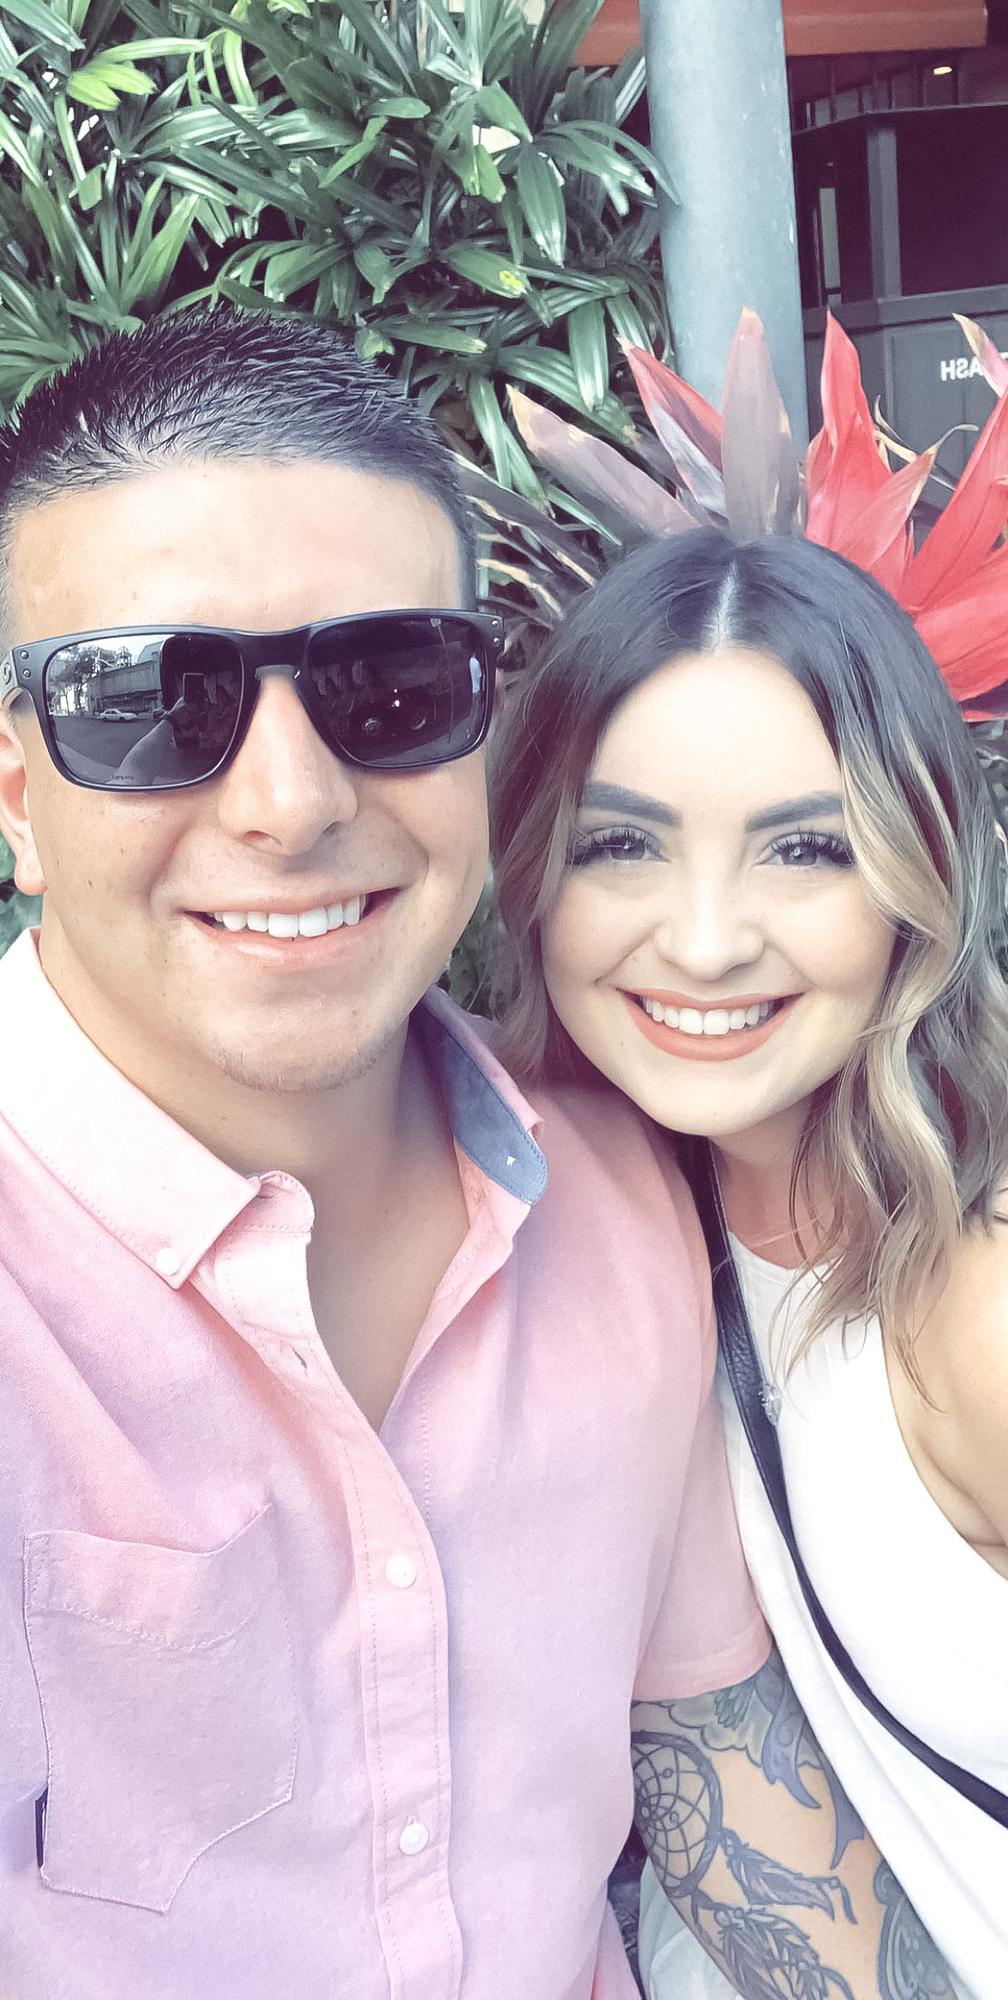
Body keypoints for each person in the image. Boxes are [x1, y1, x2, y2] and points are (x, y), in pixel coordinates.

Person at [0, 307, 912, 2000]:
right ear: (15, 790)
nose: (289, 802)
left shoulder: (624, 1201)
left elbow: (728, 1786)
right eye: (149, 704)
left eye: (390, 686)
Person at [490, 526, 1008, 2000]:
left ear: (919, 874)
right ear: (530, 872)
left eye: (805, 848)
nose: (707, 942)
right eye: (622, 844)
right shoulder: (602, 1219)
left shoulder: (977, 1298)